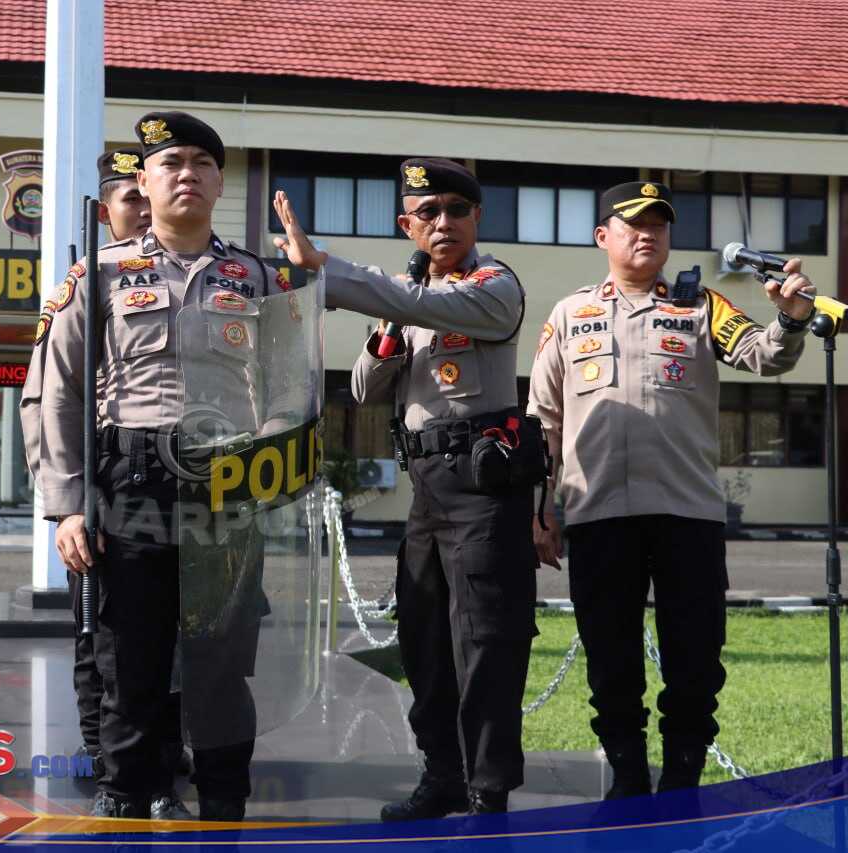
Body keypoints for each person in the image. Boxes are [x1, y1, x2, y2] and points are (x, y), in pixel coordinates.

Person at [22, 113, 292, 821]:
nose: (187, 174)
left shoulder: (256, 276)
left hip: (227, 481)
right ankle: (126, 792)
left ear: (220, 180)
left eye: (202, 162)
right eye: (170, 162)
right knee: (130, 652)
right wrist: (69, 503)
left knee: (222, 654)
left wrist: (278, 476)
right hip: (131, 474)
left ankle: (225, 792)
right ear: (143, 180)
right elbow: (59, 390)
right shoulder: (98, 274)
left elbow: (287, 390)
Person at [272, 158, 539, 816]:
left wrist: (329, 267)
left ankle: (488, 790)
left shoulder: (492, 286)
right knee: (424, 639)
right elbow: (365, 387)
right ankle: (442, 773)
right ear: (407, 225)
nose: (443, 222)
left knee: (486, 642)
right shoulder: (410, 299)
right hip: (426, 488)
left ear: (478, 218)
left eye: (456, 209)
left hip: (483, 486)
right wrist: (390, 326)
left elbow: (418, 302)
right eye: (428, 213)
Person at [528, 181, 813, 797]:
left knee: (695, 659)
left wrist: (789, 320)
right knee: (611, 660)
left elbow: (765, 356)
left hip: (688, 515)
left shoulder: (702, 305)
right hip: (598, 513)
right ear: (603, 236)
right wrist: (539, 512)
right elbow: (543, 422)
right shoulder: (569, 314)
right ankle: (627, 776)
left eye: (658, 224)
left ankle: (684, 775)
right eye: (632, 223)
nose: (647, 233)